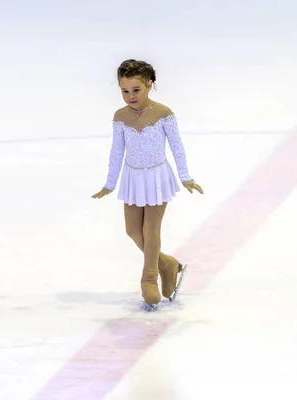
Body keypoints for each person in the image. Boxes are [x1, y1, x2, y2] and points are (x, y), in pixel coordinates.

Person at [91, 59, 203, 309]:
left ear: (149, 85)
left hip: (156, 177)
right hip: (132, 178)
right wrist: (110, 183)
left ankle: (149, 278)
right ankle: (167, 263)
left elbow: (177, 146)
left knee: (151, 230)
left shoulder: (163, 114)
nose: (130, 96)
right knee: (133, 231)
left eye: (136, 90)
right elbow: (116, 150)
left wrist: (185, 177)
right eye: (124, 90)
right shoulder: (120, 117)